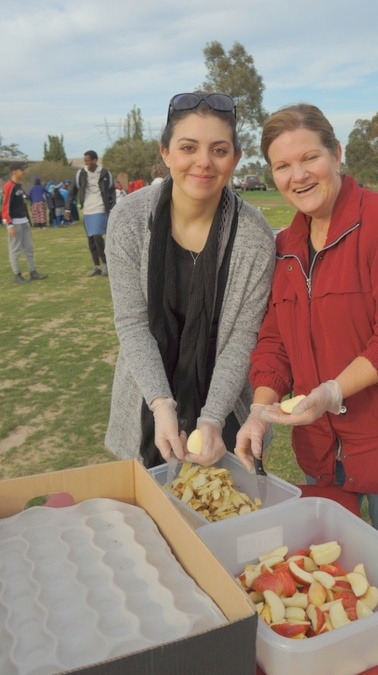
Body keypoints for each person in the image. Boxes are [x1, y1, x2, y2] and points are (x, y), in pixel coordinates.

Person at [235, 103, 378, 675]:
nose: (297, 175)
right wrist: (258, 410)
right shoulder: (284, 246)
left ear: (336, 155)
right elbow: (273, 342)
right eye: (282, 166)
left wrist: (334, 388)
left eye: (309, 157)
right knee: (335, 584)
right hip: (322, 451)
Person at [104, 91, 275, 469]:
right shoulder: (129, 220)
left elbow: (243, 338)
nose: (203, 162)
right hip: (148, 398)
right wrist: (161, 403)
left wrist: (212, 417)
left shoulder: (254, 236)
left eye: (218, 150)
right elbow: (132, 323)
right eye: (188, 147)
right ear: (165, 153)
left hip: (223, 406)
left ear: (235, 158)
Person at [64, 150, 115, 277]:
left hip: (100, 207)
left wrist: (112, 207)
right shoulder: (81, 174)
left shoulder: (104, 173)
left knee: (97, 235)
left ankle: (106, 264)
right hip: (87, 209)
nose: (86, 163)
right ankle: (96, 266)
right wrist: (67, 208)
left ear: (94, 160)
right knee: (91, 239)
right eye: (84, 161)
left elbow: (111, 191)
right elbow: (72, 191)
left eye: (87, 160)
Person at [2, 162, 48, 284]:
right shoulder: (8, 186)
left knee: (29, 248)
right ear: (14, 171)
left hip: (24, 221)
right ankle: (17, 274)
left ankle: (33, 272)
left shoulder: (19, 186)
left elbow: (23, 205)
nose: (23, 172)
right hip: (15, 222)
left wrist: (28, 222)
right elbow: (5, 207)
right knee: (15, 249)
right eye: (21, 170)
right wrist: (9, 224)